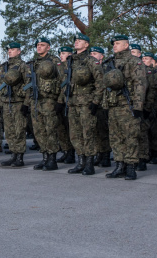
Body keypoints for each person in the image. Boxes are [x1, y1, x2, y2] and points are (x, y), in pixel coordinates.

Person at [102, 34, 148, 180]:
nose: (114, 45)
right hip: (113, 105)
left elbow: (140, 84)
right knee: (115, 137)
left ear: (126, 45)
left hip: (127, 105)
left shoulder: (134, 61)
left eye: (117, 43)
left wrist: (138, 106)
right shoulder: (110, 63)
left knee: (130, 136)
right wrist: (105, 104)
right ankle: (119, 165)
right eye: (113, 44)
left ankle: (130, 166)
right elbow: (105, 86)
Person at [61, 33, 104, 176]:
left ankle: (90, 164)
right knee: (75, 134)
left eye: (80, 41)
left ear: (86, 45)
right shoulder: (70, 61)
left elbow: (100, 82)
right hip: (72, 103)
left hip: (86, 103)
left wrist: (95, 101)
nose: (76, 42)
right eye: (76, 41)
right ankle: (80, 162)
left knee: (88, 133)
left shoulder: (91, 61)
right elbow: (64, 80)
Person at [27, 37, 63, 171]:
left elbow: (62, 81)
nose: (39, 47)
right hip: (36, 101)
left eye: (42, 45)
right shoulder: (33, 63)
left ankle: (52, 159)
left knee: (50, 130)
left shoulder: (54, 61)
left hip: (49, 100)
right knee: (39, 131)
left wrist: (60, 100)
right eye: (38, 45)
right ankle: (45, 157)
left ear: (48, 47)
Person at [0, 42, 32, 167]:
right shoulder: (4, 67)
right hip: (7, 102)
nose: (10, 51)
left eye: (12, 49)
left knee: (19, 130)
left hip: (19, 102)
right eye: (9, 50)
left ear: (19, 51)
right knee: (9, 131)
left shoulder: (23, 66)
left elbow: (28, 85)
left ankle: (20, 157)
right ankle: (13, 154)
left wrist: (26, 103)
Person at [55, 46, 76, 165]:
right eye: (60, 53)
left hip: (69, 101)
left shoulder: (72, 66)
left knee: (70, 129)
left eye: (63, 53)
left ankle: (72, 153)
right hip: (59, 102)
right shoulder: (59, 67)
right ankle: (66, 151)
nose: (61, 55)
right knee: (61, 129)